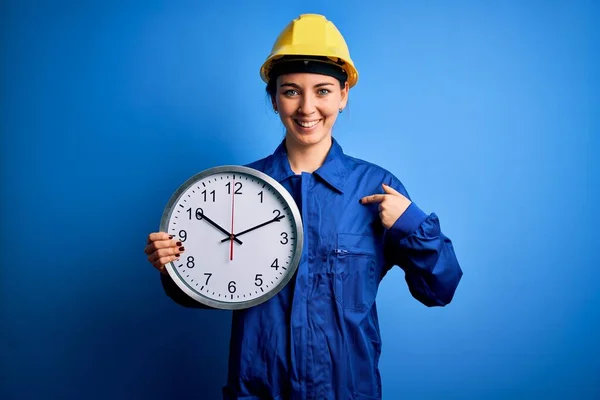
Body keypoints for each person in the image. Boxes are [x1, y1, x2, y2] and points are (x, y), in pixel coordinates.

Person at [144, 13, 463, 400]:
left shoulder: (377, 189)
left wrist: (411, 224)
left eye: (323, 90)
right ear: (275, 99)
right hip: (257, 393)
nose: (307, 107)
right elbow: (208, 291)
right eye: (291, 91)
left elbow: (439, 289)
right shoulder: (236, 189)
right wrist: (173, 266)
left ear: (344, 95)